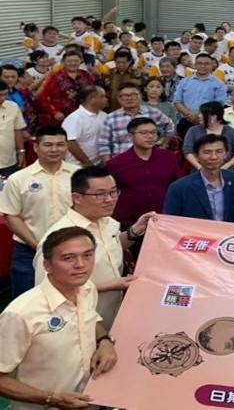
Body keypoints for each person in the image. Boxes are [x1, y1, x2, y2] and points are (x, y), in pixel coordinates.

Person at [0, 226, 118, 410]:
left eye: (87, 255)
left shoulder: (87, 290)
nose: (81, 264)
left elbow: (90, 318)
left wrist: (104, 341)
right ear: (47, 265)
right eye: (68, 258)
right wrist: (52, 399)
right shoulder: (20, 314)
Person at [33, 166, 153, 326]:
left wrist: (134, 231)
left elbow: (112, 247)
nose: (110, 199)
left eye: (113, 192)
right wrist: (109, 285)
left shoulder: (108, 222)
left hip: (111, 316)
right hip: (78, 323)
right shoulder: (59, 237)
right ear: (77, 197)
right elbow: (48, 292)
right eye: (100, 194)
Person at [0, 126, 76, 299]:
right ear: (36, 147)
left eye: (60, 145)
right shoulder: (18, 179)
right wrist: (38, 246)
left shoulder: (78, 175)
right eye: (48, 145)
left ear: (66, 147)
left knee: (70, 300)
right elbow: (11, 215)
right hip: (28, 252)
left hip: (73, 250)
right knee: (27, 302)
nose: (55, 149)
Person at [106, 117, 180, 232]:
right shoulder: (115, 163)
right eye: (144, 133)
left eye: (153, 132)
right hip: (129, 223)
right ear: (131, 136)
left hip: (163, 220)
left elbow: (176, 186)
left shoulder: (169, 158)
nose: (150, 136)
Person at [163, 134, 234, 224]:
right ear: (196, 156)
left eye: (219, 151)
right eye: (207, 152)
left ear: (226, 154)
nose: (214, 157)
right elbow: (170, 222)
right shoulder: (179, 187)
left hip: (227, 236)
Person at [172, 52, 228, 139]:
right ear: (195, 65)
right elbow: (177, 101)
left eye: (206, 64)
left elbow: (218, 104)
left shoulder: (219, 84)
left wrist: (199, 116)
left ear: (212, 65)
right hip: (186, 121)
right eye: (200, 63)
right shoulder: (184, 81)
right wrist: (190, 115)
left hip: (208, 122)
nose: (203, 66)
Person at [182, 101, 234, 171]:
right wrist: (199, 167)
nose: (199, 116)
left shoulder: (231, 132)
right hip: (199, 171)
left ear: (214, 117)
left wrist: (225, 167)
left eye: (202, 114)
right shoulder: (193, 131)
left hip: (225, 171)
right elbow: (187, 151)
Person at [35, 51, 95, 126]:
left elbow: (93, 93)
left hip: (85, 115)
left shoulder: (86, 75)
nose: (73, 63)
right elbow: (41, 97)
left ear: (80, 61)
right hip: (63, 118)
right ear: (63, 62)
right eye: (69, 61)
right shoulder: (54, 77)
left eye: (76, 61)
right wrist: (55, 112)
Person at [0, 80, 27, 177]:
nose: (2, 98)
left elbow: (17, 130)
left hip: (8, 160)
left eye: (5, 94)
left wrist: (21, 151)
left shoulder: (13, 107)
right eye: (0, 95)